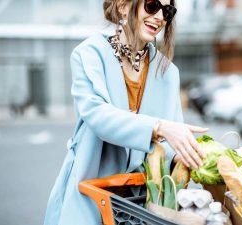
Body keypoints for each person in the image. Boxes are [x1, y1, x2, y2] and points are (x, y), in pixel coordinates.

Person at [44, 0, 208, 224]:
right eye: (151, 5)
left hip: (141, 203)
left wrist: (187, 155)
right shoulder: (89, 54)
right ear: (122, 6)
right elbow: (97, 115)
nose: (160, 17)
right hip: (90, 189)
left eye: (167, 11)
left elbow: (167, 149)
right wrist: (158, 127)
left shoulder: (168, 72)